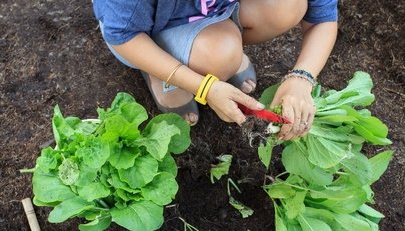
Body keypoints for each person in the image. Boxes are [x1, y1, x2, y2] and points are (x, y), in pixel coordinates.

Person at [93, 0, 338, 141]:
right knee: (219, 56)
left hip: (214, 8)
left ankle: (217, 37)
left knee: (287, 5)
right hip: (142, 30)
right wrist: (205, 87)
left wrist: (301, 79)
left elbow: (322, 17)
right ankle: (163, 69)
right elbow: (124, 35)